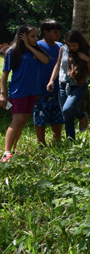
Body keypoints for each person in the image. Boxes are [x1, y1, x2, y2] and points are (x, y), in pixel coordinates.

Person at [1, 26, 50, 162]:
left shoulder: (36, 50)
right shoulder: (12, 52)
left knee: (23, 121)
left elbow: (45, 60)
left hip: (33, 92)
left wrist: (29, 45)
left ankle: (13, 150)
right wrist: (2, 93)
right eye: (32, 36)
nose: (36, 39)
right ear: (22, 36)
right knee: (17, 120)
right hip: (18, 92)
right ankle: (6, 152)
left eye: (36, 36)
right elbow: (5, 74)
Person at [49, 30, 90, 140]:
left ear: (80, 43)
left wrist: (87, 59)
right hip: (62, 84)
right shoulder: (63, 49)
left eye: (74, 45)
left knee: (67, 109)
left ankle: (82, 115)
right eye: (69, 45)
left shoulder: (88, 52)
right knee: (67, 116)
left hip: (78, 85)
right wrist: (51, 80)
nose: (72, 47)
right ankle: (71, 141)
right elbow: (58, 65)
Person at [34, 19, 65, 146]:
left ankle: (57, 141)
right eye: (55, 32)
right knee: (40, 117)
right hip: (41, 89)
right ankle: (41, 143)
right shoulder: (37, 46)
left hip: (58, 89)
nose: (57, 35)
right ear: (45, 32)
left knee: (57, 116)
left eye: (59, 32)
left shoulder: (60, 46)